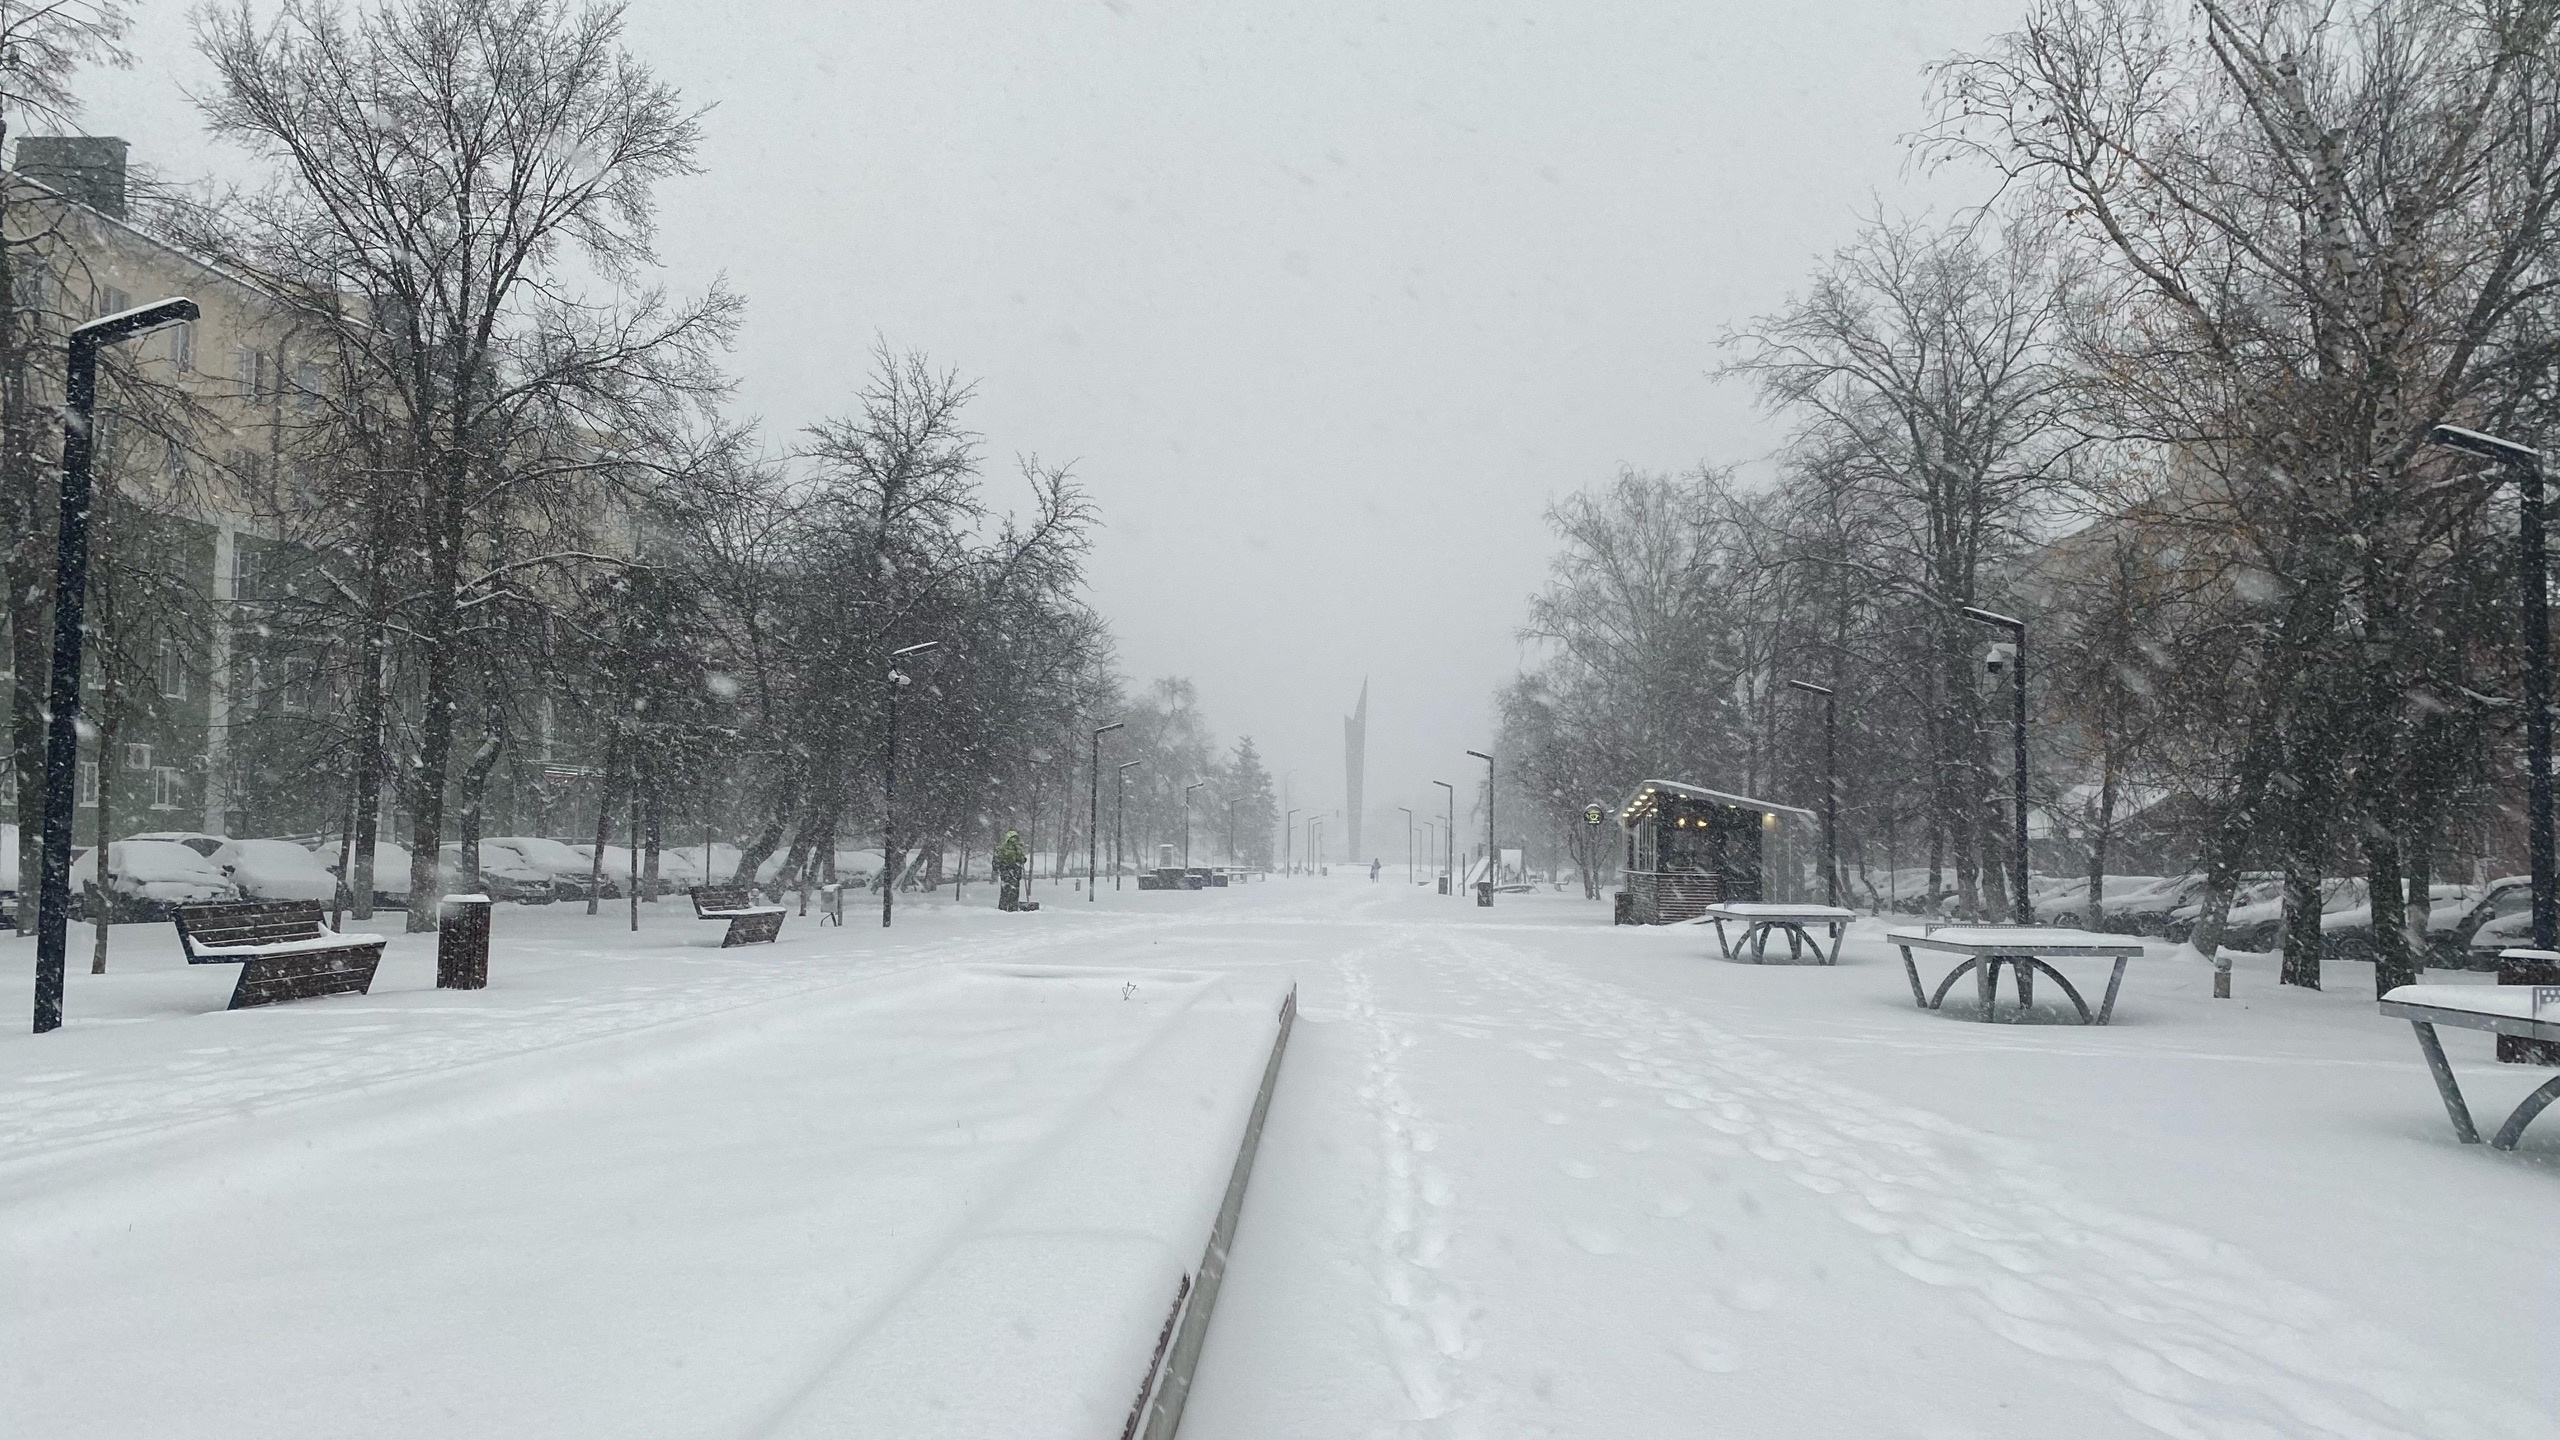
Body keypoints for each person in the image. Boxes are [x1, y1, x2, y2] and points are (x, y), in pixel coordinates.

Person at [995, 830, 1027, 912]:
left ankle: (1013, 908)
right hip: (1006, 871)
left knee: (1015, 891)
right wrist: (1001, 867)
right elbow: (997, 859)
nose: (1015, 840)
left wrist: (1022, 859)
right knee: (1006, 890)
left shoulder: (1018, 848)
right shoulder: (1003, 848)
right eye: (1013, 838)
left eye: (1016, 838)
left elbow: (1020, 858)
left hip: (1016, 872)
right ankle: (1003, 908)